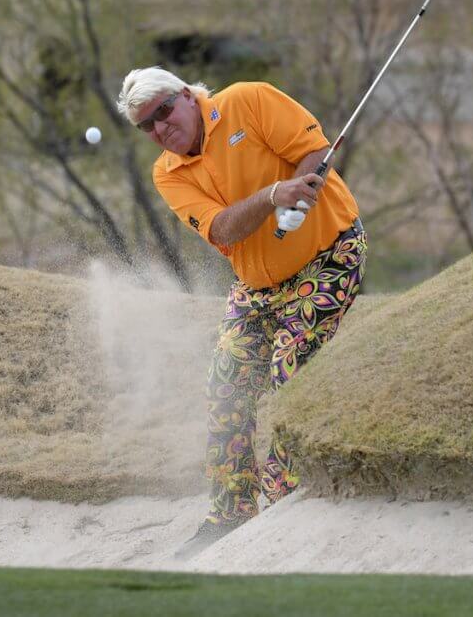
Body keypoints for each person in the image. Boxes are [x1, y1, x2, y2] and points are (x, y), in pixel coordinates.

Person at [116, 67, 366, 558]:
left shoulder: (248, 101)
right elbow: (223, 230)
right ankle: (231, 513)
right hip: (256, 286)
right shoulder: (168, 173)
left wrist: (300, 185)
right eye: (148, 126)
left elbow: (317, 151)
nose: (161, 128)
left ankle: (284, 503)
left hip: (330, 254)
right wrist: (274, 197)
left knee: (287, 371)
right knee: (226, 384)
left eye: (165, 111)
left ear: (186, 96)